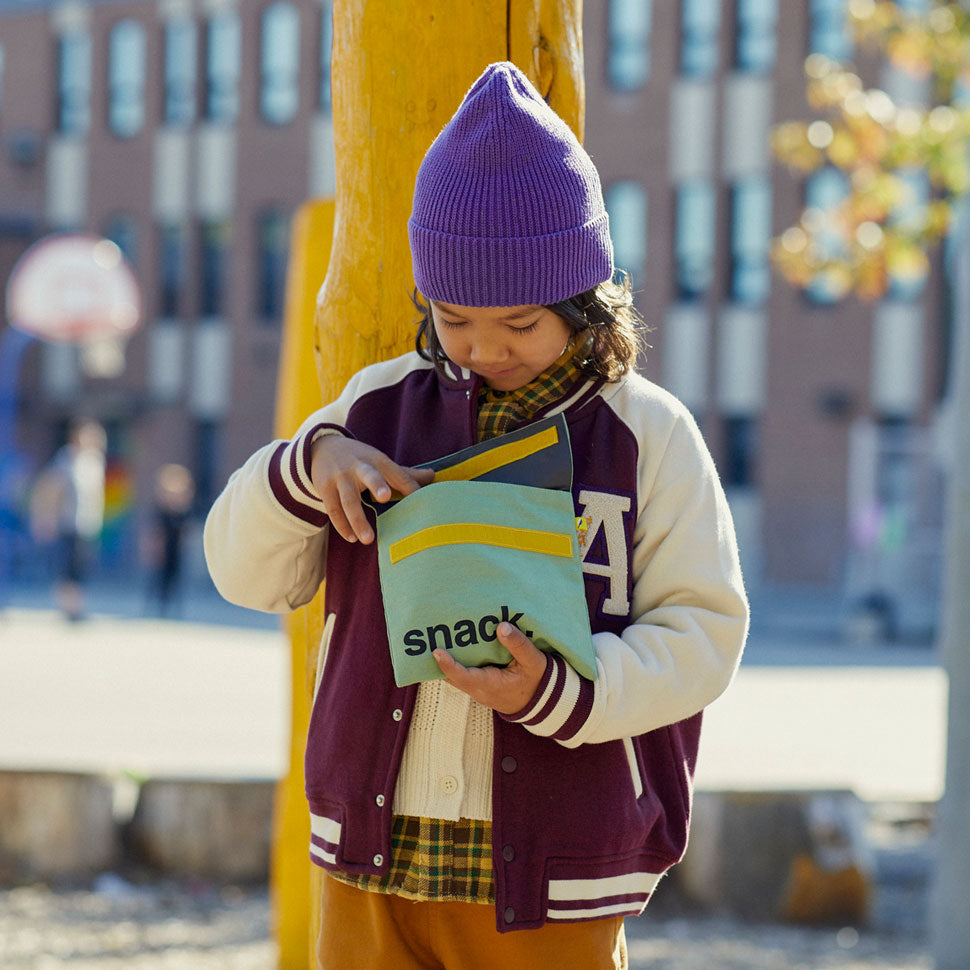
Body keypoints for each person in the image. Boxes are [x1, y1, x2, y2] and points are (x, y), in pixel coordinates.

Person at [204, 62, 749, 970]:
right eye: (453, 319)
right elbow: (243, 573)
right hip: (371, 859)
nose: (485, 348)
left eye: (521, 324)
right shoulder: (374, 408)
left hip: (558, 871)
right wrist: (304, 471)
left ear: (588, 301)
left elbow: (705, 632)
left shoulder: (648, 434)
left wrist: (567, 693)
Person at [29, 418, 107, 621]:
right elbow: (51, 488)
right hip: (68, 522)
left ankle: (75, 606)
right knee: (67, 566)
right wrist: (46, 517)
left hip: (87, 523)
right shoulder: (67, 458)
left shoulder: (95, 461)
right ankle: (70, 608)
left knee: (82, 567)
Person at [142, 463, 195, 616]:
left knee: (176, 577)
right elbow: (155, 529)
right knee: (158, 577)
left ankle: (174, 606)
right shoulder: (161, 509)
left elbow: (186, 528)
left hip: (176, 548)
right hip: (162, 548)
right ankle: (156, 605)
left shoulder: (182, 510)